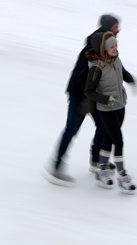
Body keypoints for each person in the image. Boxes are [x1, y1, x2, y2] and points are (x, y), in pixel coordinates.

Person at [48, 14, 122, 185]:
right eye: (116, 26)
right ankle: (56, 167)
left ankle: (96, 160)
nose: (119, 30)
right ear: (109, 27)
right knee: (71, 130)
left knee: (104, 126)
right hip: (80, 95)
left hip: (92, 95)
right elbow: (87, 74)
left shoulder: (106, 42)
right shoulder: (97, 45)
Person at [84, 31, 136, 193]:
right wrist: (106, 100)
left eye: (116, 45)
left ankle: (102, 170)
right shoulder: (97, 68)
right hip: (106, 109)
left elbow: (122, 72)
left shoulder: (116, 59)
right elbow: (89, 91)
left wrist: (131, 79)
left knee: (108, 139)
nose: (115, 48)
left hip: (120, 106)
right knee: (118, 141)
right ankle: (122, 176)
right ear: (104, 48)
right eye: (111, 46)